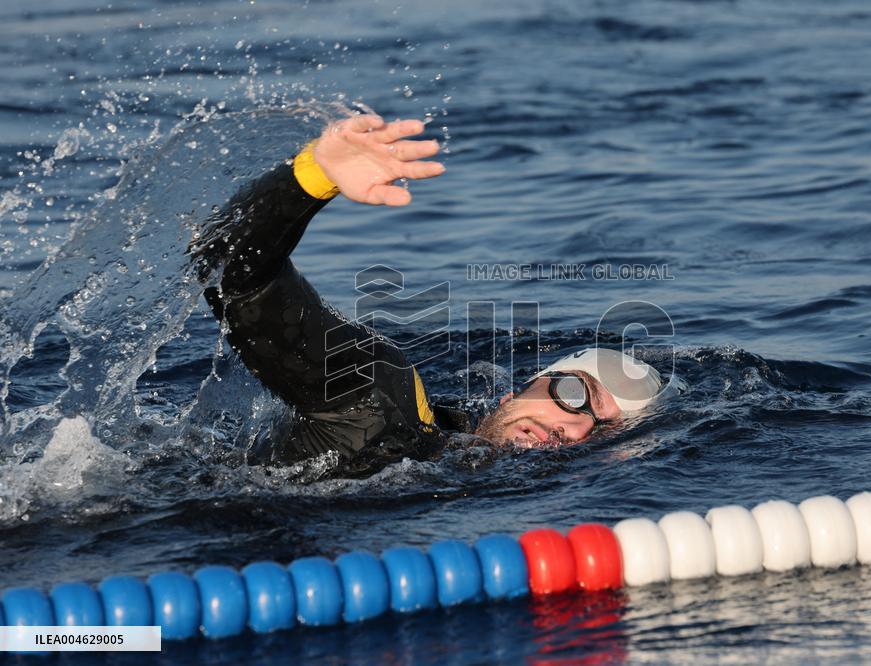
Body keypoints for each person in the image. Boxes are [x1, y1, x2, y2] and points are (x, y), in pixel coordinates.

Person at [194, 114, 667, 477]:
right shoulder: (380, 400)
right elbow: (228, 266)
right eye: (574, 394)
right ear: (515, 390)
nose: (576, 429)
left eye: (605, 433)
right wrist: (313, 176)